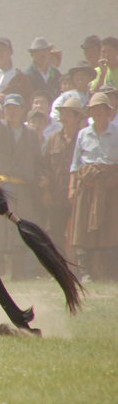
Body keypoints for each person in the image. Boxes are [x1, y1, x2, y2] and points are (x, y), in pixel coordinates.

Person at [0, 94, 42, 279]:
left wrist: (39, 179)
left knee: (20, 233)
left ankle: (18, 275)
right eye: (7, 108)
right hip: (1, 186)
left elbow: (37, 160)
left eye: (15, 108)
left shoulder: (30, 133)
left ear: (23, 110)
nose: (11, 112)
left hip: (22, 189)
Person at [69, 93, 118, 281]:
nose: (96, 113)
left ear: (108, 111)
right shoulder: (82, 134)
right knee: (83, 229)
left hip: (111, 188)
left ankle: (112, 273)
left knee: (111, 229)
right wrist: (72, 189)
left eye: (100, 109)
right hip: (87, 187)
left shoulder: (117, 132)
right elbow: (75, 165)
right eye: (93, 109)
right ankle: (86, 273)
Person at [43, 97, 84, 251]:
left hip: (78, 195)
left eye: (68, 114)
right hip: (56, 195)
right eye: (62, 113)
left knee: (79, 234)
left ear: (78, 117)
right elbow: (46, 167)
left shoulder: (84, 138)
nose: (64, 117)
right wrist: (46, 191)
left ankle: (81, 271)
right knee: (55, 233)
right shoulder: (53, 139)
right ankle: (59, 269)